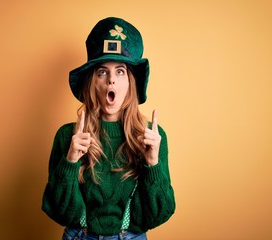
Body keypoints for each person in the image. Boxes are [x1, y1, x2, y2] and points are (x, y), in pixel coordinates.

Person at [42, 17, 175, 239]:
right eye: (102, 71)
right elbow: (59, 212)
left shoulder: (152, 137)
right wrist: (71, 161)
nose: (111, 80)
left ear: (131, 82)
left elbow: (155, 217)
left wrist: (152, 164)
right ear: (92, 81)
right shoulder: (68, 136)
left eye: (120, 71)